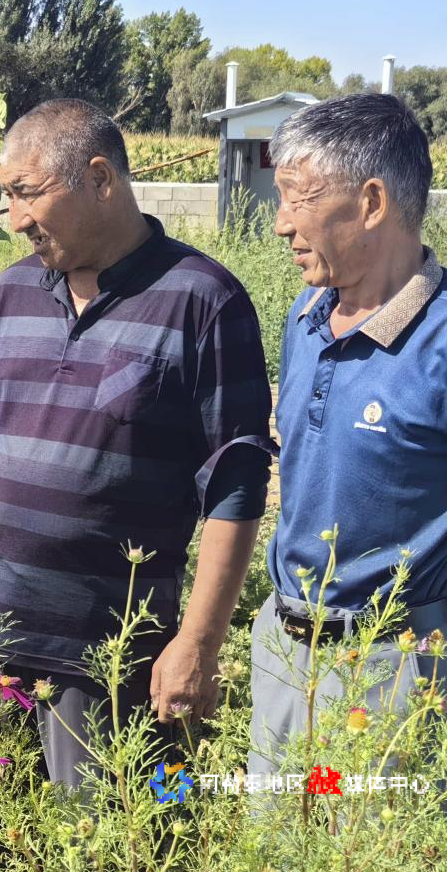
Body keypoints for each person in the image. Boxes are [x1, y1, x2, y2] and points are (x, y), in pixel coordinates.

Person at [0, 99, 274, 787]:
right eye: (6, 196)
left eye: (26, 193)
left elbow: (235, 486)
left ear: (99, 179)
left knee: (109, 828)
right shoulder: (10, 293)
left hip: (112, 659)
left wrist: (197, 643)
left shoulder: (203, 299)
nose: (14, 218)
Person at [250, 93, 447, 774]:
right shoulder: (306, 315)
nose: (281, 223)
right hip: (281, 651)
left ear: (371, 203)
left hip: (392, 672)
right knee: (272, 832)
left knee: (371, 831)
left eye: (297, 198)